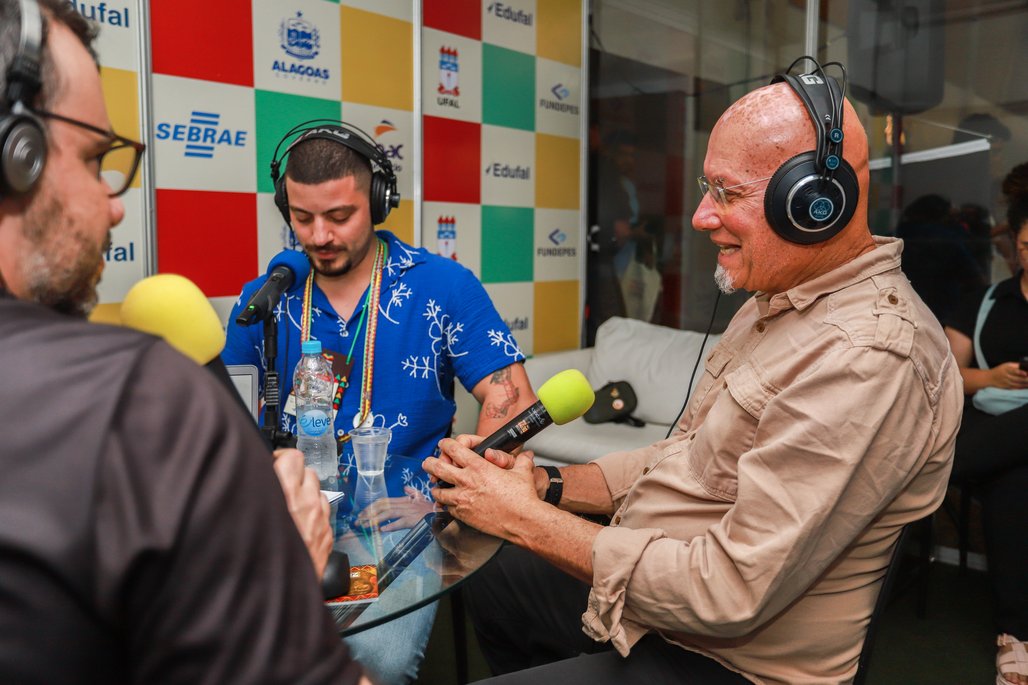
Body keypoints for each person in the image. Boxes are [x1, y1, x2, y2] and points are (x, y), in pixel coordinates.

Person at [424, 68, 964, 684]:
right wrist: (543, 485)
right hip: (663, 612)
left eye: (728, 193)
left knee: (512, 544)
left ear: (816, 203)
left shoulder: (868, 357)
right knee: (501, 574)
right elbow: (683, 457)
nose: (702, 216)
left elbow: (728, 593)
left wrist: (520, 516)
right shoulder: (775, 302)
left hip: (728, 661)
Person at [0, 1, 367, 683]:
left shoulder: (439, 284)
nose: (116, 204)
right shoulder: (144, 396)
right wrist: (277, 564)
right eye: (92, 156)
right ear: (16, 153)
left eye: (339, 215)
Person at [221, 125, 537, 684]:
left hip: (401, 519)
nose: (318, 235)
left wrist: (449, 499)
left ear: (378, 201)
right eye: (301, 217)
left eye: (339, 216)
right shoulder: (266, 298)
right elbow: (226, 415)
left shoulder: (442, 286)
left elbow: (512, 400)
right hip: (285, 519)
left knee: (375, 661)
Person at [943, 186, 1028, 685]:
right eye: (1026, 244)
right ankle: (1017, 636)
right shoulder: (985, 299)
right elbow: (950, 375)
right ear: (1015, 246)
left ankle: (927, 472)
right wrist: (993, 378)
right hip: (988, 422)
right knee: (1016, 480)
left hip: (993, 442)